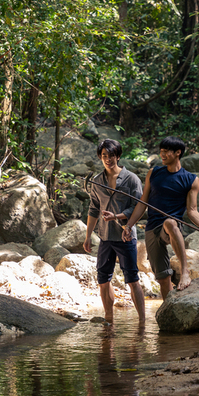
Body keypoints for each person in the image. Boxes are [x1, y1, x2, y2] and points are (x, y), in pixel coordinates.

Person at [122, 136, 199, 299]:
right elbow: (143, 202)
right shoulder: (154, 173)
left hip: (171, 228)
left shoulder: (191, 179)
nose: (162, 155)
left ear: (178, 153)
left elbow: (192, 210)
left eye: (166, 152)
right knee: (163, 279)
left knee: (171, 223)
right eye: (161, 152)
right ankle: (168, 313)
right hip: (152, 227)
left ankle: (185, 271)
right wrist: (129, 225)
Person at [83, 139, 146, 324]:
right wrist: (88, 236)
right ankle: (108, 319)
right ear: (100, 158)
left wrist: (117, 216)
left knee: (132, 279)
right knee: (103, 279)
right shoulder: (97, 181)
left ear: (118, 156)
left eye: (111, 156)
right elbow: (93, 209)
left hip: (125, 236)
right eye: (104, 156)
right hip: (104, 237)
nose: (108, 159)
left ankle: (142, 322)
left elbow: (139, 207)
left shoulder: (131, 179)